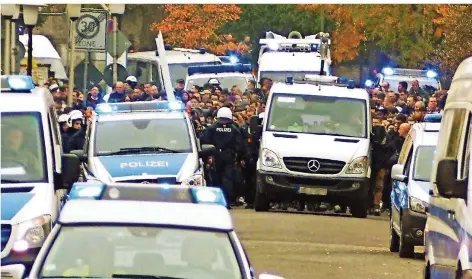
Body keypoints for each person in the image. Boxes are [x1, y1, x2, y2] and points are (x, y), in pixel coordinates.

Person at [200, 107, 247, 207]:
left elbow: (204, 141)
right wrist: (239, 157)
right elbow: (240, 144)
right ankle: (226, 201)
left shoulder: (212, 128)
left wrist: (208, 156)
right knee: (228, 178)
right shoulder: (234, 129)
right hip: (229, 155)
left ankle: (217, 200)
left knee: (216, 177)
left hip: (215, 155)